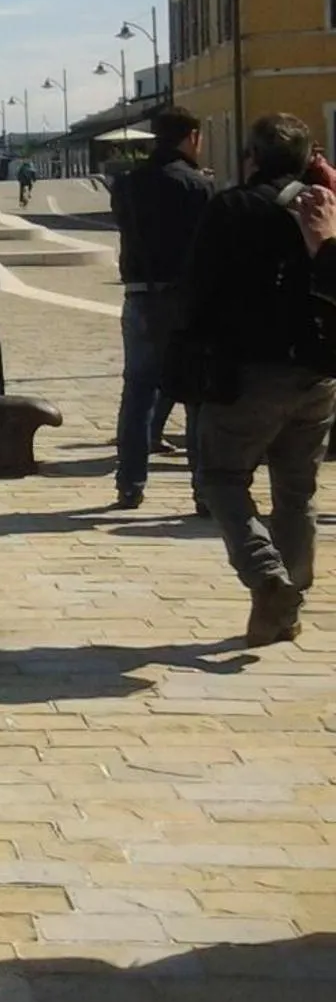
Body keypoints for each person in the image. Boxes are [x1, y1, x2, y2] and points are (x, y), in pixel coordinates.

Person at [183, 113, 336, 646]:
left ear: (250, 157)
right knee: (296, 492)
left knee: (221, 477)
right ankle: (287, 604)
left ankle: (267, 576)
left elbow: (198, 288)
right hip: (317, 371)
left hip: (247, 371)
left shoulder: (231, 207)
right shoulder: (323, 208)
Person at [109, 107, 215, 510]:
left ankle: (130, 483)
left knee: (138, 392)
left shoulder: (128, 184)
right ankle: (204, 491)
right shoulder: (197, 186)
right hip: (185, 299)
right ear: (191, 137)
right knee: (196, 395)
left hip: (139, 295)